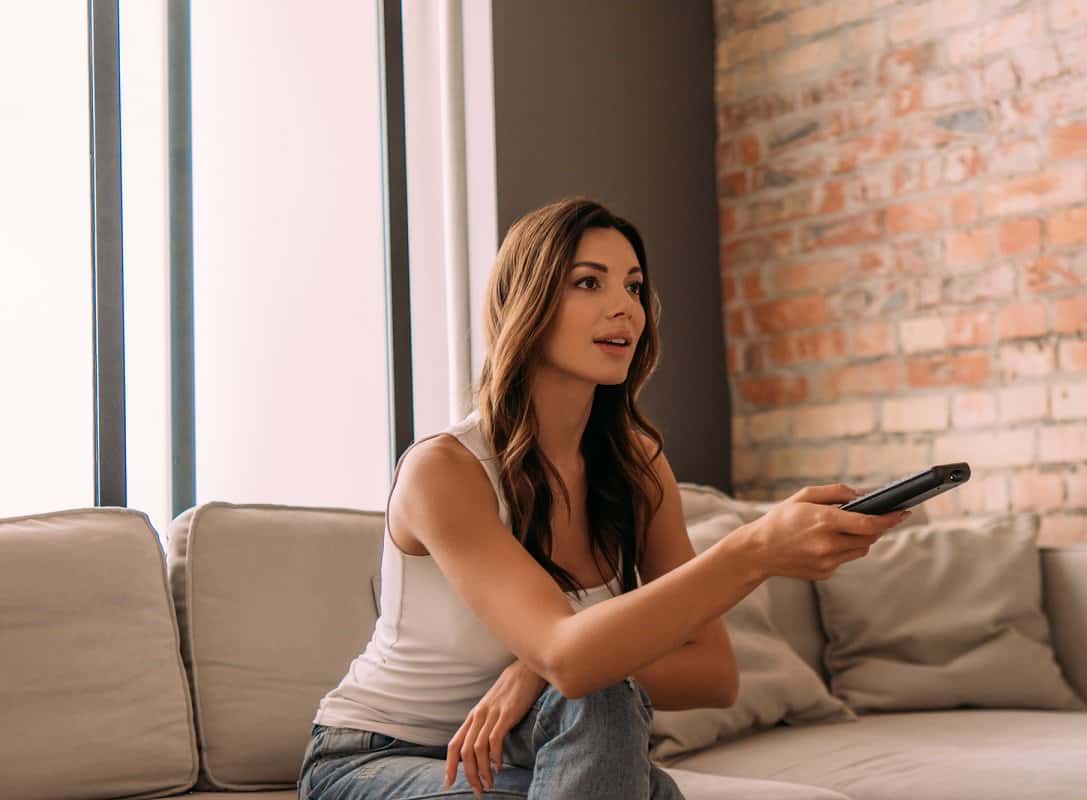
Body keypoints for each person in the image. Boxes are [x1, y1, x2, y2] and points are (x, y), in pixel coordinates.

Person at [297, 197, 908, 800]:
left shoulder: (636, 467)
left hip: (530, 744)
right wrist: (755, 550)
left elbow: (713, 675)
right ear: (525, 305)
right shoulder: (445, 471)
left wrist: (536, 672)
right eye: (588, 283)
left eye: (635, 287)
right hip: (380, 755)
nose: (625, 308)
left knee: (600, 687)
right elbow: (569, 653)